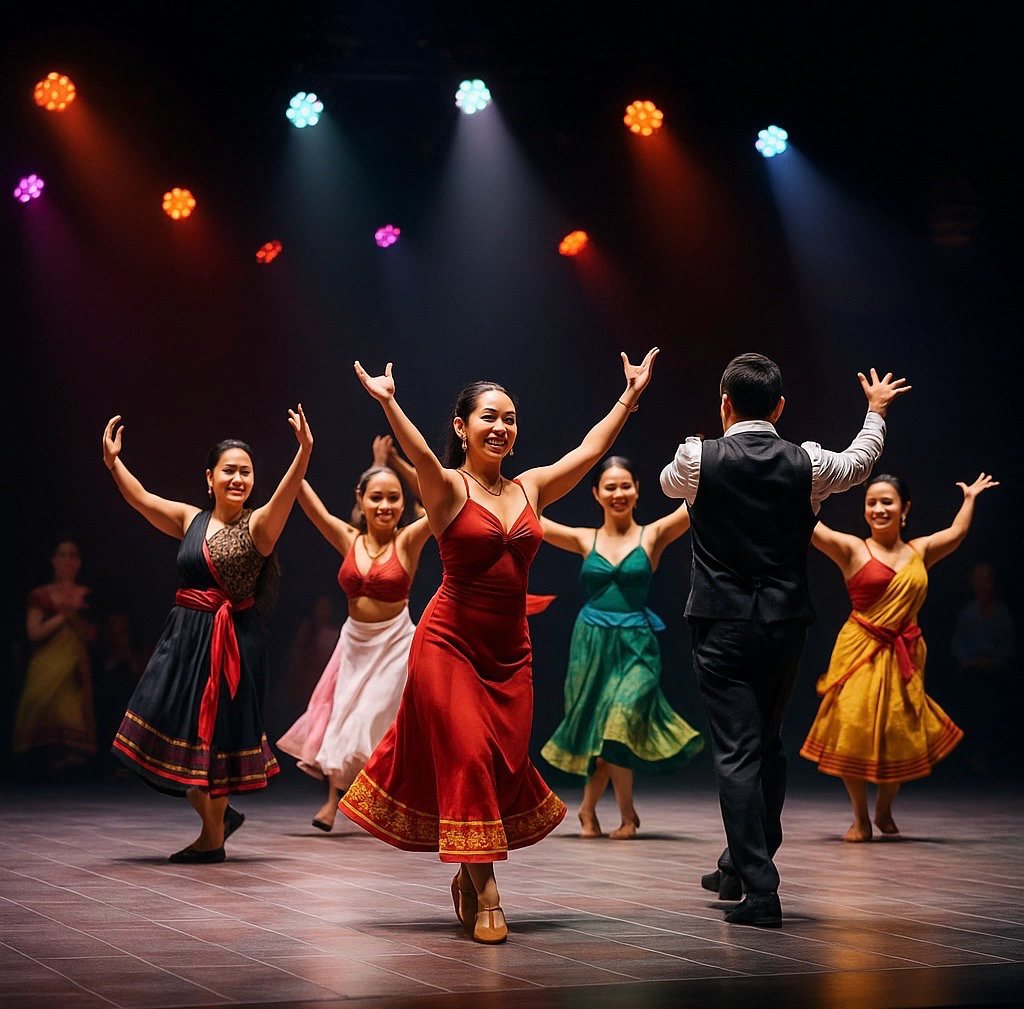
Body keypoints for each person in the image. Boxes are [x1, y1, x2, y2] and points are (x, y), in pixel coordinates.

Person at [342, 349, 659, 944]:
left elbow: (588, 453)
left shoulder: (531, 487)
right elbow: (417, 453)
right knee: (466, 757)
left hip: (510, 652)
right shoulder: (444, 487)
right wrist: (388, 402)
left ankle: (469, 870)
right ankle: (489, 893)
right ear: (462, 428)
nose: (501, 428)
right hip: (448, 642)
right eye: (489, 417)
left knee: (492, 764)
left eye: (510, 418)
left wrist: (629, 396)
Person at [660, 354, 910, 928]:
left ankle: (760, 888)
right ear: (778, 407)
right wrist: (874, 413)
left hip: (721, 623)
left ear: (724, 403)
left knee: (738, 753)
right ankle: (738, 863)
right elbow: (861, 463)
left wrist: (694, 453)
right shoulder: (808, 462)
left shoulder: (697, 457)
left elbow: (668, 484)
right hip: (784, 623)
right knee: (766, 745)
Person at [102, 406, 313, 863]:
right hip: (183, 639)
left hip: (232, 644)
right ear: (210, 477)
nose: (239, 479)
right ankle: (218, 822)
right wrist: (114, 463)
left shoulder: (258, 525)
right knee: (176, 730)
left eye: (247, 472)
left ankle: (212, 838)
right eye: (230, 471)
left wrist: (304, 453)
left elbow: (287, 494)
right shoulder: (190, 519)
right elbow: (141, 498)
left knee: (214, 740)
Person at [801, 472, 998, 836]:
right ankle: (860, 817)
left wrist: (969, 498)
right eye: (872, 502)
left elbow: (956, 534)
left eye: (887, 501)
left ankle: (884, 811)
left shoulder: (918, 551)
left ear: (904, 508)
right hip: (859, 649)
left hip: (904, 651)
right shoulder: (852, 549)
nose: (879, 508)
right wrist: (802, 489)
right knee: (852, 728)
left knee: (898, 730)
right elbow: (812, 528)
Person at [538, 455, 703, 840]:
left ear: (637, 490)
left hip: (637, 647)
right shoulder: (584, 538)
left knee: (620, 720)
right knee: (601, 735)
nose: (618, 493)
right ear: (596, 493)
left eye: (625, 485)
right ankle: (592, 812)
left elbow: (694, 500)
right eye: (609, 487)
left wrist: (702, 457)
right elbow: (531, 517)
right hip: (591, 645)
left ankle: (623, 814)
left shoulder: (653, 535)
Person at [277, 436, 432, 831]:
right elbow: (305, 500)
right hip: (354, 642)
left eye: (393, 499)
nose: (385, 506)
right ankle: (333, 801)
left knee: (372, 722)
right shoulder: (348, 539)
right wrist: (302, 454)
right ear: (360, 500)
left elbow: (439, 500)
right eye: (376, 498)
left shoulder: (409, 540)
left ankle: (381, 800)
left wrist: (395, 461)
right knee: (342, 717)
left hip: (395, 643)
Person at [12, 537, 97, 774]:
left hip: (76, 667)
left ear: (79, 561)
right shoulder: (41, 595)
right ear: (53, 560)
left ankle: (71, 767)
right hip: (46, 666)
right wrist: (63, 616)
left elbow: (92, 635)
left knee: (72, 715)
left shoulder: (87, 595)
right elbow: (34, 632)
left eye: (73, 555)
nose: (67, 560)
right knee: (41, 708)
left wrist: (73, 617)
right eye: (62, 554)